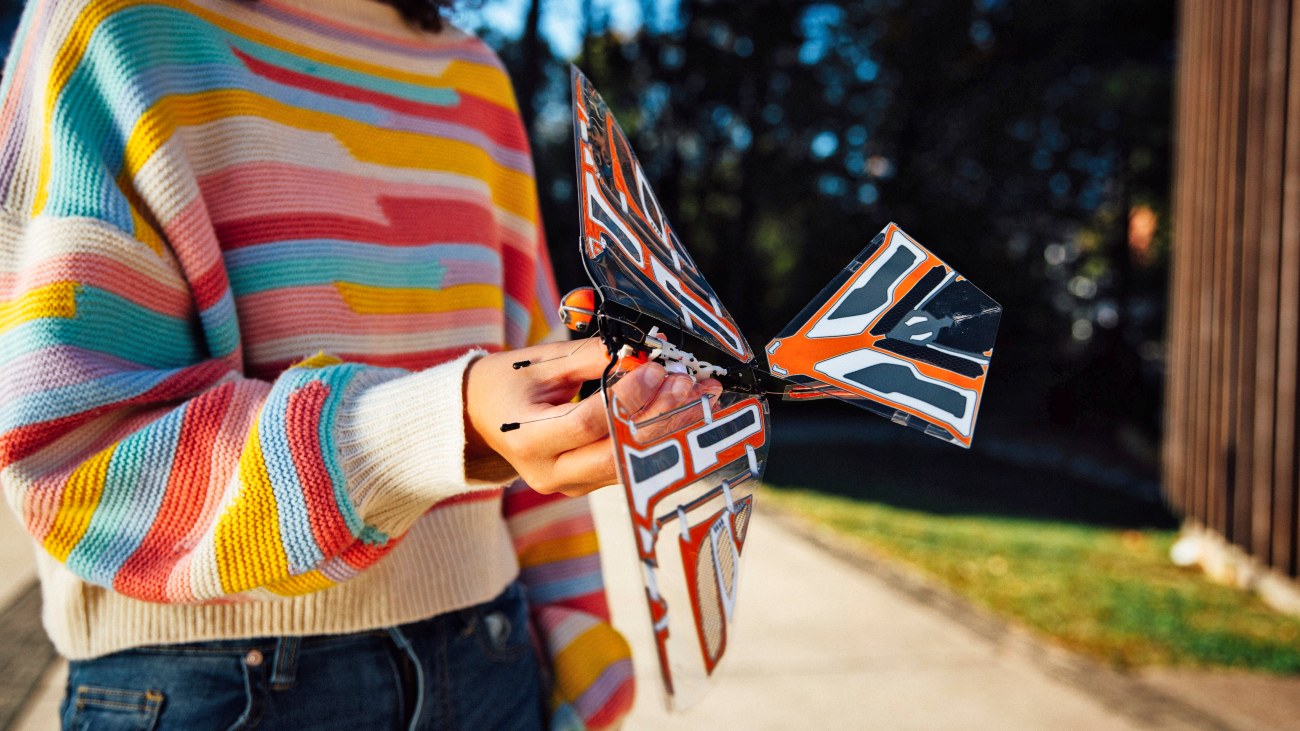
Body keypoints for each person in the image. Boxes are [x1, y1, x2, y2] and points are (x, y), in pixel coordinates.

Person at [0, 0, 714, 727]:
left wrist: (573, 642)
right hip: (207, 682)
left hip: (488, 661)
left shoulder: (476, 80)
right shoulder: (112, 29)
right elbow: (73, 447)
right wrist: (436, 425)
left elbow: (535, 373)